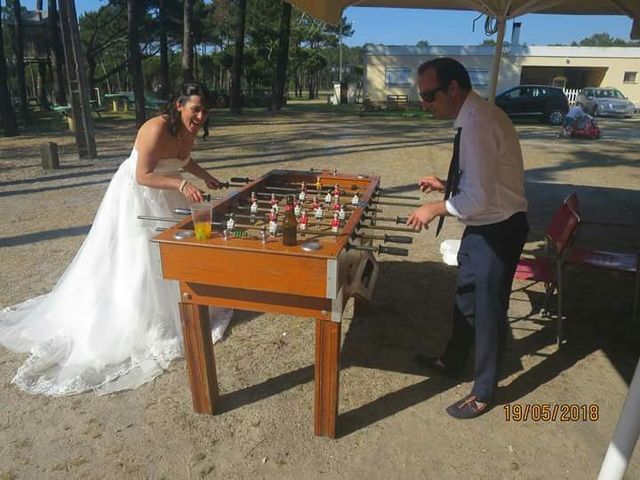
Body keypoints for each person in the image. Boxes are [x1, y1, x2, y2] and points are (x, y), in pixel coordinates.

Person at [0, 82, 233, 396]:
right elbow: (143, 174)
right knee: (138, 256)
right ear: (179, 105)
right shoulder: (155, 127)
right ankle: (138, 316)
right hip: (139, 195)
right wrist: (180, 186)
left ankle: (179, 303)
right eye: (196, 110)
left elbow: (182, 159)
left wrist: (204, 176)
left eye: (205, 111)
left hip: (165, 191)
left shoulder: (188, 130)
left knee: (174, 247)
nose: (201, 116)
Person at [407, 58, 529, 419]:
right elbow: (483, 182)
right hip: (487, 222)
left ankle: (484, 391)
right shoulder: (474, 119)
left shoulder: (479, 125)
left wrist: (435, 207)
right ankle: (452, 360)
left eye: (429, 96)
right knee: (466, 296)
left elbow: (478, 199)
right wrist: (447, 186)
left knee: (490, 310)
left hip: (499, 227)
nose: (425, 104)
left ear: (453, 89)